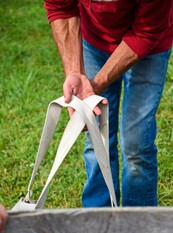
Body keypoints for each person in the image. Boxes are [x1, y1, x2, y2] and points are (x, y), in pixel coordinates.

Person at [44, 0, 173, 207]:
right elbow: (61, 7)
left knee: (136, 144)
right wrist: (74, 72)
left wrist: (96, 85)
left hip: (150, 44)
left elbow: (145, 33)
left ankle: (138, 224)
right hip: (95, 40)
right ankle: (100, 218)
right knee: (97, 138)